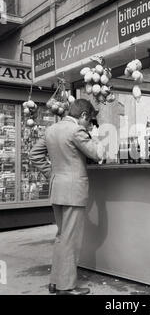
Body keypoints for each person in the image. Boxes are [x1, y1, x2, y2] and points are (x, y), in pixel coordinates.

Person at [29, 99, 103, 295]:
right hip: (73, 190)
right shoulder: (76, 130)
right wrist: (95, 137)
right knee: (71, 239)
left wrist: (52, 173)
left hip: (57, 188)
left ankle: (55, 282)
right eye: (89, 121)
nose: (89, 125)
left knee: (62, 237)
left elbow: (34, 155)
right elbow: (96, 154)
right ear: (84, 116)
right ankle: (66, 287)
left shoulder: (51, 129)